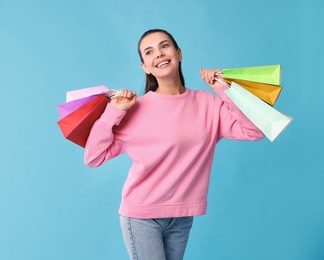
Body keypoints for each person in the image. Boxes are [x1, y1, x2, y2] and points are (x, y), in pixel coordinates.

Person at [84, 29, 264, 260]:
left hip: (181, 217)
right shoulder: (135, 108)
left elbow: (254, 131)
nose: (159, 54)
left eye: (164, 46)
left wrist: (223, 88)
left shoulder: (208, 103)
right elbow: (93, 157)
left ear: (178, 53)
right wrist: (113, 112)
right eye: (149, 52)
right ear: (145, 67)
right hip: (141, 216)